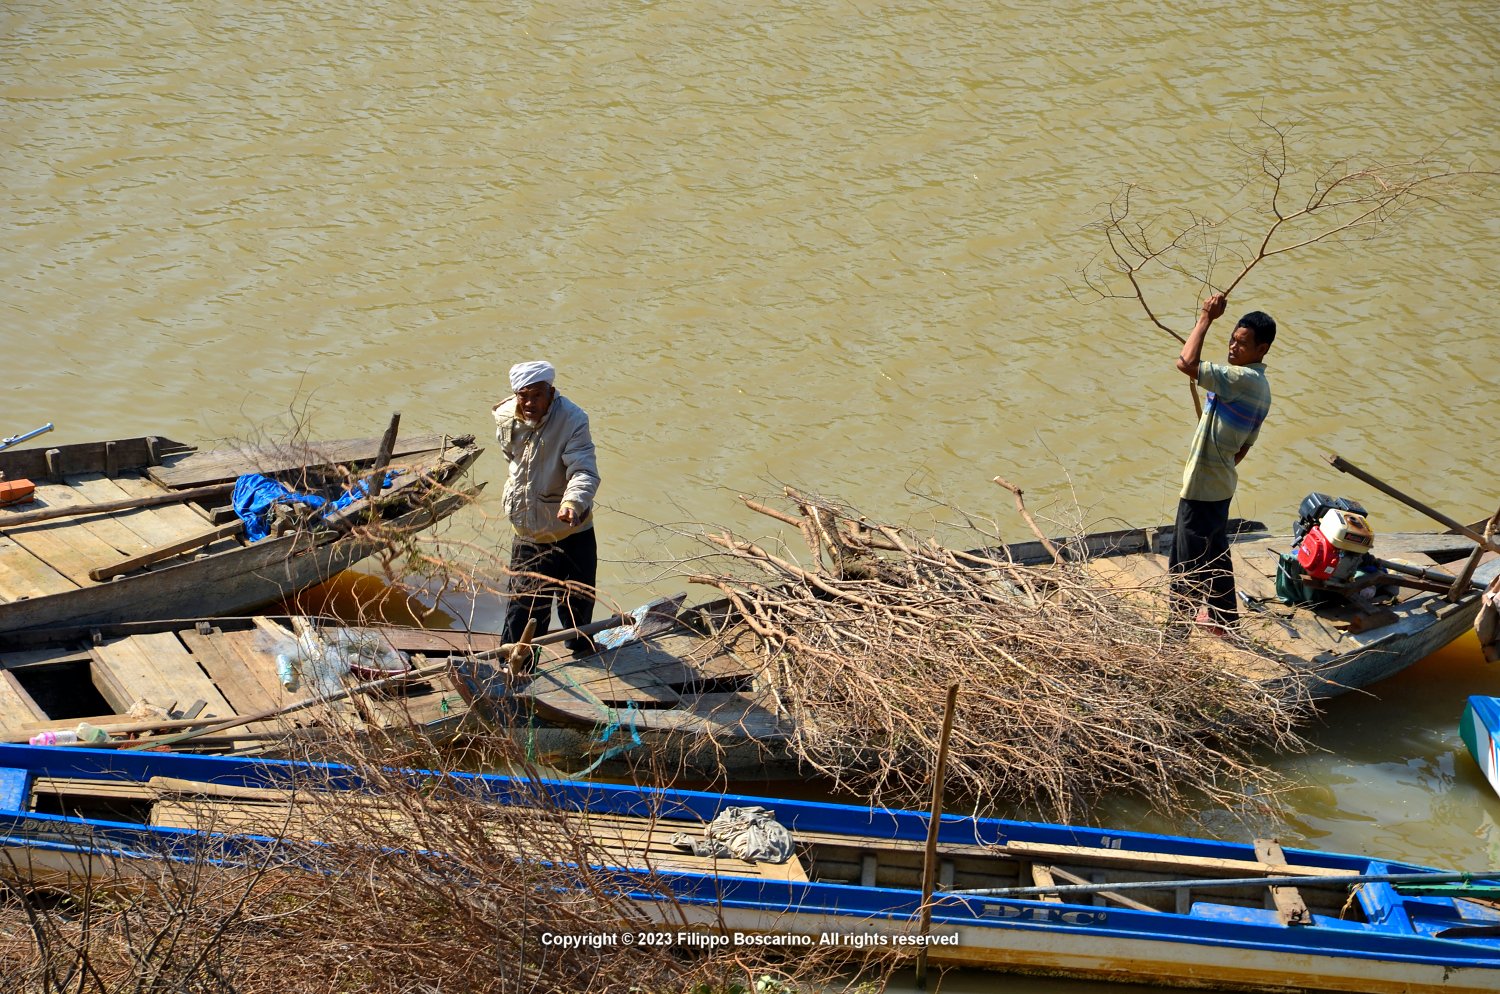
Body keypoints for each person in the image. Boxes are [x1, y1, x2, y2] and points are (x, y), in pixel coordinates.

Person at [1169, 292, 1275, 636]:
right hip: (1220, 485)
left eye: (1242, 343)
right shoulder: (1260, 386)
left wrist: (1205, 318)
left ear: (1262, 350)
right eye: (1231, 338)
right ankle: (1224, 620)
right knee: (1215, 556)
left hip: (1202, 490)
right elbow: (1242, 449)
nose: (1232, 347)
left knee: (1184, 565)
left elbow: (1185, 362)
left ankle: (1175, 636)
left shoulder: (1240, 379)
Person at [493, 360, 601, 655]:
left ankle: (582, 653)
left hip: (572, 526)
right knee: (525, 610)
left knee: (578, 601)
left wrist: (572, 502)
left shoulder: (573, 419)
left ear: (551, 393)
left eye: (537, 395)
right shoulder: (504, 417)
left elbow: (584, 471)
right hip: (530, 530)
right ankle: (514, 671)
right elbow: (512, 460)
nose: (529, 403)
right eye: (523, 395)